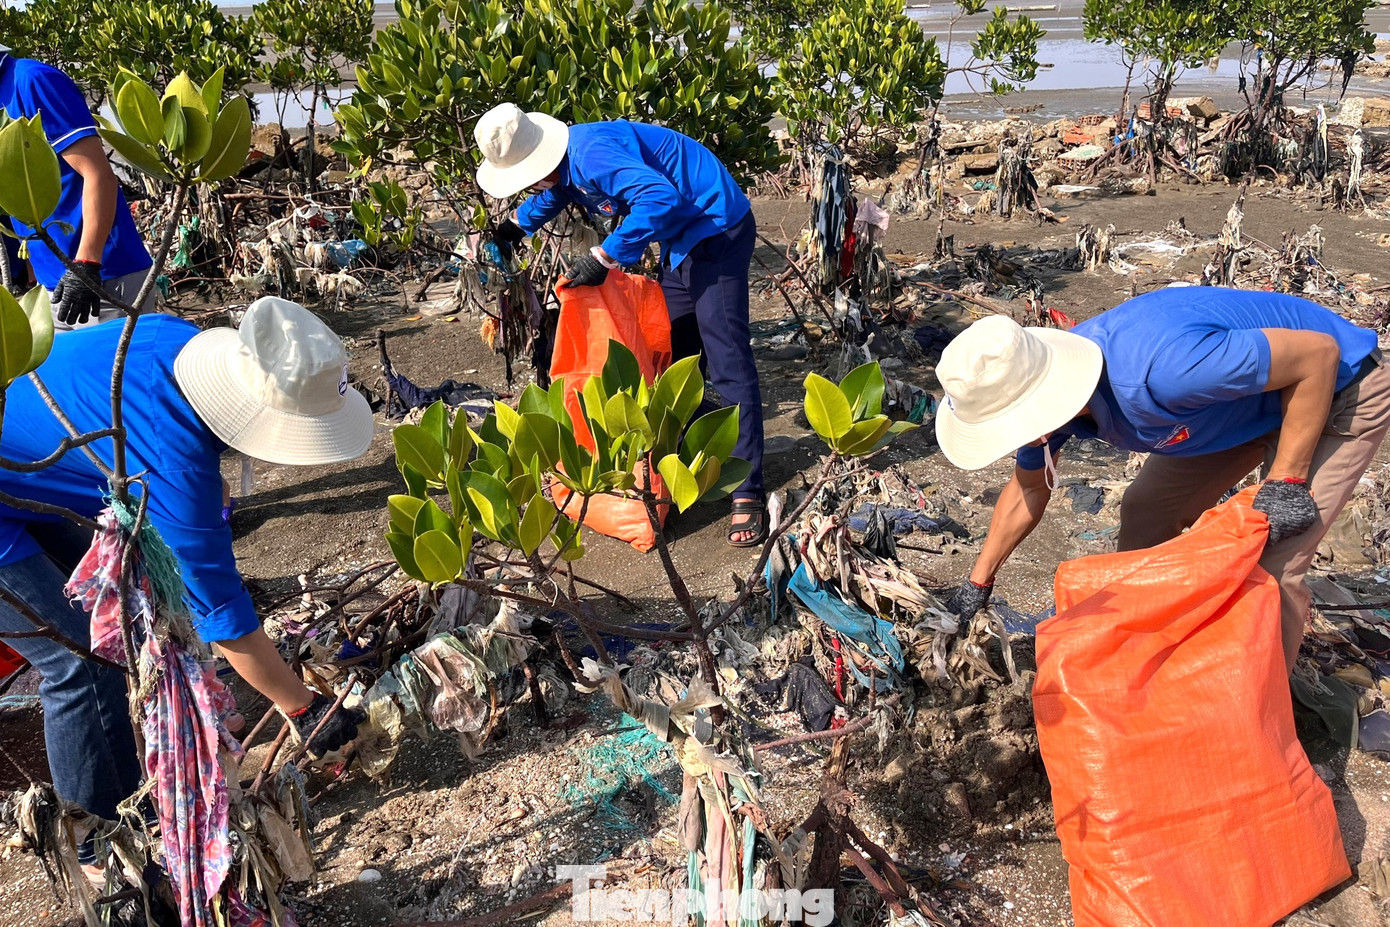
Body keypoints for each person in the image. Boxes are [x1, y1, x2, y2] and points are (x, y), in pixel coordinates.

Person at [0, 297, 370, 880]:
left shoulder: (173, 339)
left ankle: (143, 760)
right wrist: (303, 705)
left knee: (118, 616)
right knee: (78, 662)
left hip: (29, 459)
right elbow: (223, 612)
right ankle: (100, 847)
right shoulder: (174, 465)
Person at [933, 286, 1390, 673]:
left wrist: (1287, 479)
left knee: (1274, 562)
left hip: (1337, 387)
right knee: (1147, 511)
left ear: (1042, 402)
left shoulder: (1165, 372)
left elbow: (1318, 355)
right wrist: (977, 585)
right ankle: (1150, 650)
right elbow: (1028, 489)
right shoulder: (1041, 399)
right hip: (1234, 406)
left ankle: (1261, 718)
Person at [473, 103, 767, 546]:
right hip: (679, 237)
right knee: (677, 354)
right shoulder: (566, 165)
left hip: (715, 227)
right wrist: (513, 228)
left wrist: (603, 256)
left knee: (726, 355)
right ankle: (694, 460)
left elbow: (659, 198)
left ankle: (747, 490)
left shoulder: (592, 154)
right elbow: (560, 192)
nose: (529, 184)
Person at [0, 43, 153, 327]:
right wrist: (34, 274)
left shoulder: (33, 81)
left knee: (117, 370)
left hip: (104, 275)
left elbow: (98, 174)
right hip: (51, 282)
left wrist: (86, 265)